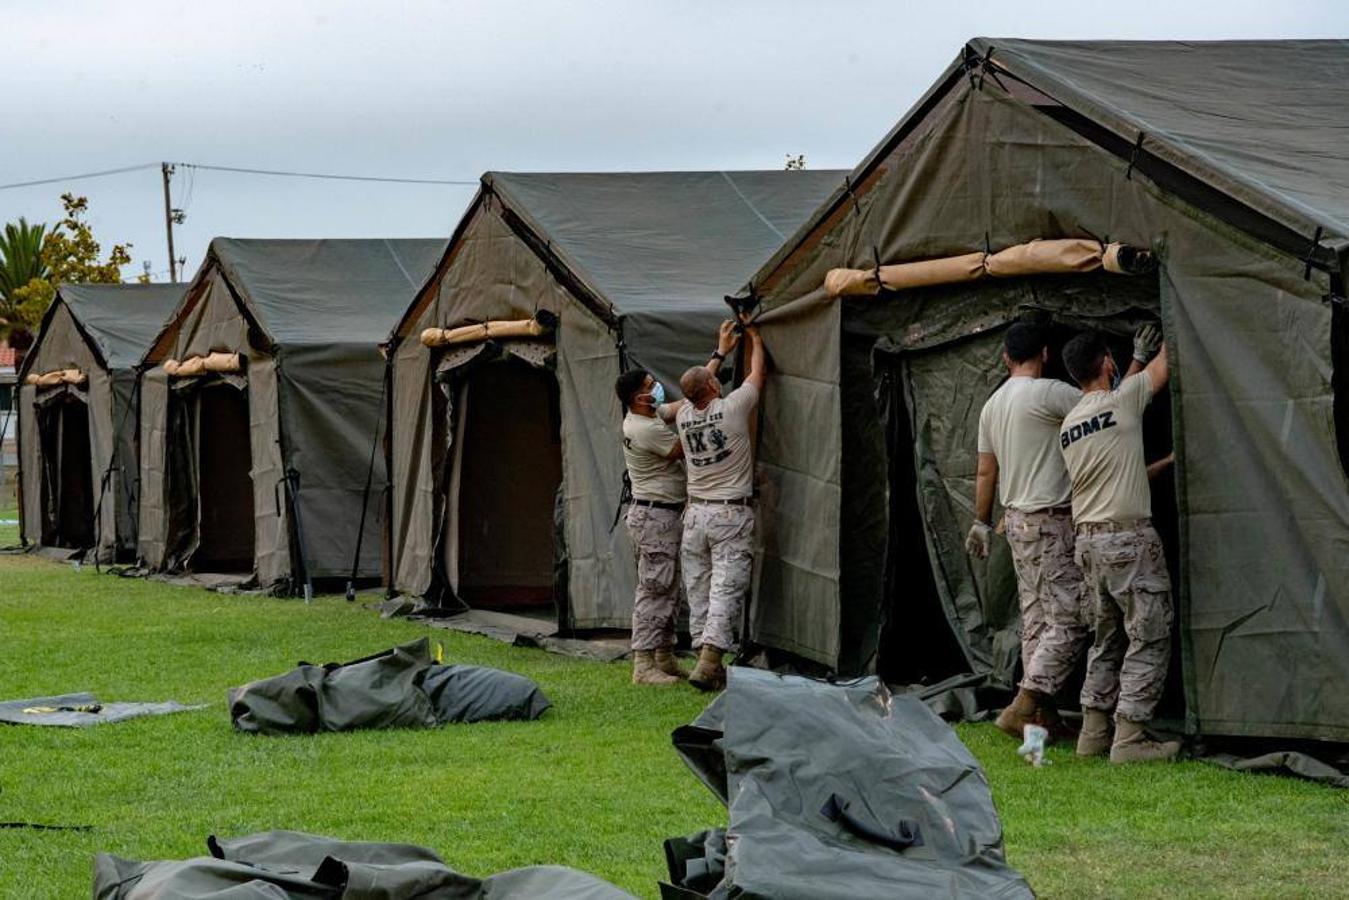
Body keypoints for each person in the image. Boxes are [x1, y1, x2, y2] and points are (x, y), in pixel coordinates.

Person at [1059, 328, 1180, 763]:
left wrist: (1163, 465)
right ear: (1107, 363)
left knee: (1106, 639)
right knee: (1148, 635)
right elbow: (1163, 366)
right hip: (1129, 540)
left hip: (1089, 545)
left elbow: (1115, 472)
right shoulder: (1123, 401)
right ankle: (1129, 739)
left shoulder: (1070, 425)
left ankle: (1092, 734)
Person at [966, 322, 1087, 741]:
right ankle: (1023, 705)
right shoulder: (1050, 392)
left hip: (1015, 522)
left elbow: (986, 469)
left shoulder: (992, 405)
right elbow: (1100, 408)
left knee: (1036, 619)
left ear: (1005, 357)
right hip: (1050, 520)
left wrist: (980, 523)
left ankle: (1042, 715)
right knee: (1071, 618)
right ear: (1046, 354)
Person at [615, 322, 740, 686]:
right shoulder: (643, 428)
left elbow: (686, 402)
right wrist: (710, 417)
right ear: (640, 397)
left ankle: (664, 656)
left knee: (668, 587)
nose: (655, 389)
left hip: (662, 514)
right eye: (649, 386)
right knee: (654, 588)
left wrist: (718, 356)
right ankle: (643, 664)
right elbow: (680, 441)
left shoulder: (649, 415)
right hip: (654, 515)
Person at [671, 322, 766, 691]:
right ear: (714, 388)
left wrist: (719, 352)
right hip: (729, 512)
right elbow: (758, 373)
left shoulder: (682, 416)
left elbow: (693, 387)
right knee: (727, 584)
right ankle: (711, 659)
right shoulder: (732, 409)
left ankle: (703, 657)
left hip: (694, 514)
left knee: (697, 585)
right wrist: (756, 339)